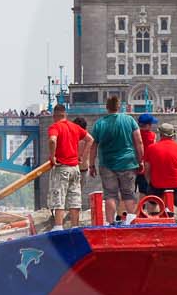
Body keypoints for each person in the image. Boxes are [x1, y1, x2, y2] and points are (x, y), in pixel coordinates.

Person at [84, 94, 144, 223]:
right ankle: (131, 221)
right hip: (128, 163)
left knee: (110, 195)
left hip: (107, 164)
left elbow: (94, 146)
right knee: (128, 193)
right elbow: (139, 141)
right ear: (119, 106)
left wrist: (92, 164)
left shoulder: (99, 124)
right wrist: (140, 161)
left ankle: (110, 223)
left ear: (107, 107)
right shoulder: (130, 120)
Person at [45, 104, 89, 229]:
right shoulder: (75, 127)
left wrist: (53, 156)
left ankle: (58, 226)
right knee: (75, 198)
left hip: (62, 167)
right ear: (66, 115)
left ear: (54, 116)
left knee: (59, 196)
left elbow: (52, 140)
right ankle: (75, 227)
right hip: (75, 168)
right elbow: (90, 139)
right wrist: (82, 156)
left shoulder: (55, 126)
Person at [142, 124, 177, 222]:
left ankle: (155, 223)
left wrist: (150, 182)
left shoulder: (151, 148)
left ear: (160, 134)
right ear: (173, 135)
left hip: (157, 184)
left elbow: (147, 168)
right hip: (176, 184)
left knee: (152, 201)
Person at [133, 113, 160, 198]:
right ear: (148, 125)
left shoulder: (133, 134)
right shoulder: (152, 135)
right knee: (144, 192)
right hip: (145, 167)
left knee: (128, 194)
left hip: (132, 165)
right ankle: (142, 210)